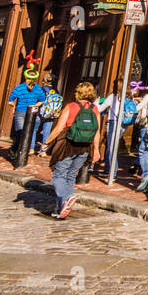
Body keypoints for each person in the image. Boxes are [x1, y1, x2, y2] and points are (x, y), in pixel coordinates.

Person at [44, 83, 105, 219]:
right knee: (71, 175)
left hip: (68, 144)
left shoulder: (71, 107)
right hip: (85, 147)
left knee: (59, 175)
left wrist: (47, 142)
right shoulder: (95, 109)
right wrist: (96, 150)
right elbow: (97, 132)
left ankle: (66, 198)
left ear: (78, 93)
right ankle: (60, 208)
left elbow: (59, 128)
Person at [6, 65, 47, 159]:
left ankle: (15, 151)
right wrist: (34, 106)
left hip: (21, 113)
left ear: (25, 77)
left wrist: (14, 106)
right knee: (29, 134)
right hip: (32, 113)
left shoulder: (19, 88)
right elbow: (42, 100)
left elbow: (10, 101)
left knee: (20, 134)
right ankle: (22, 152)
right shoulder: (38, 89)